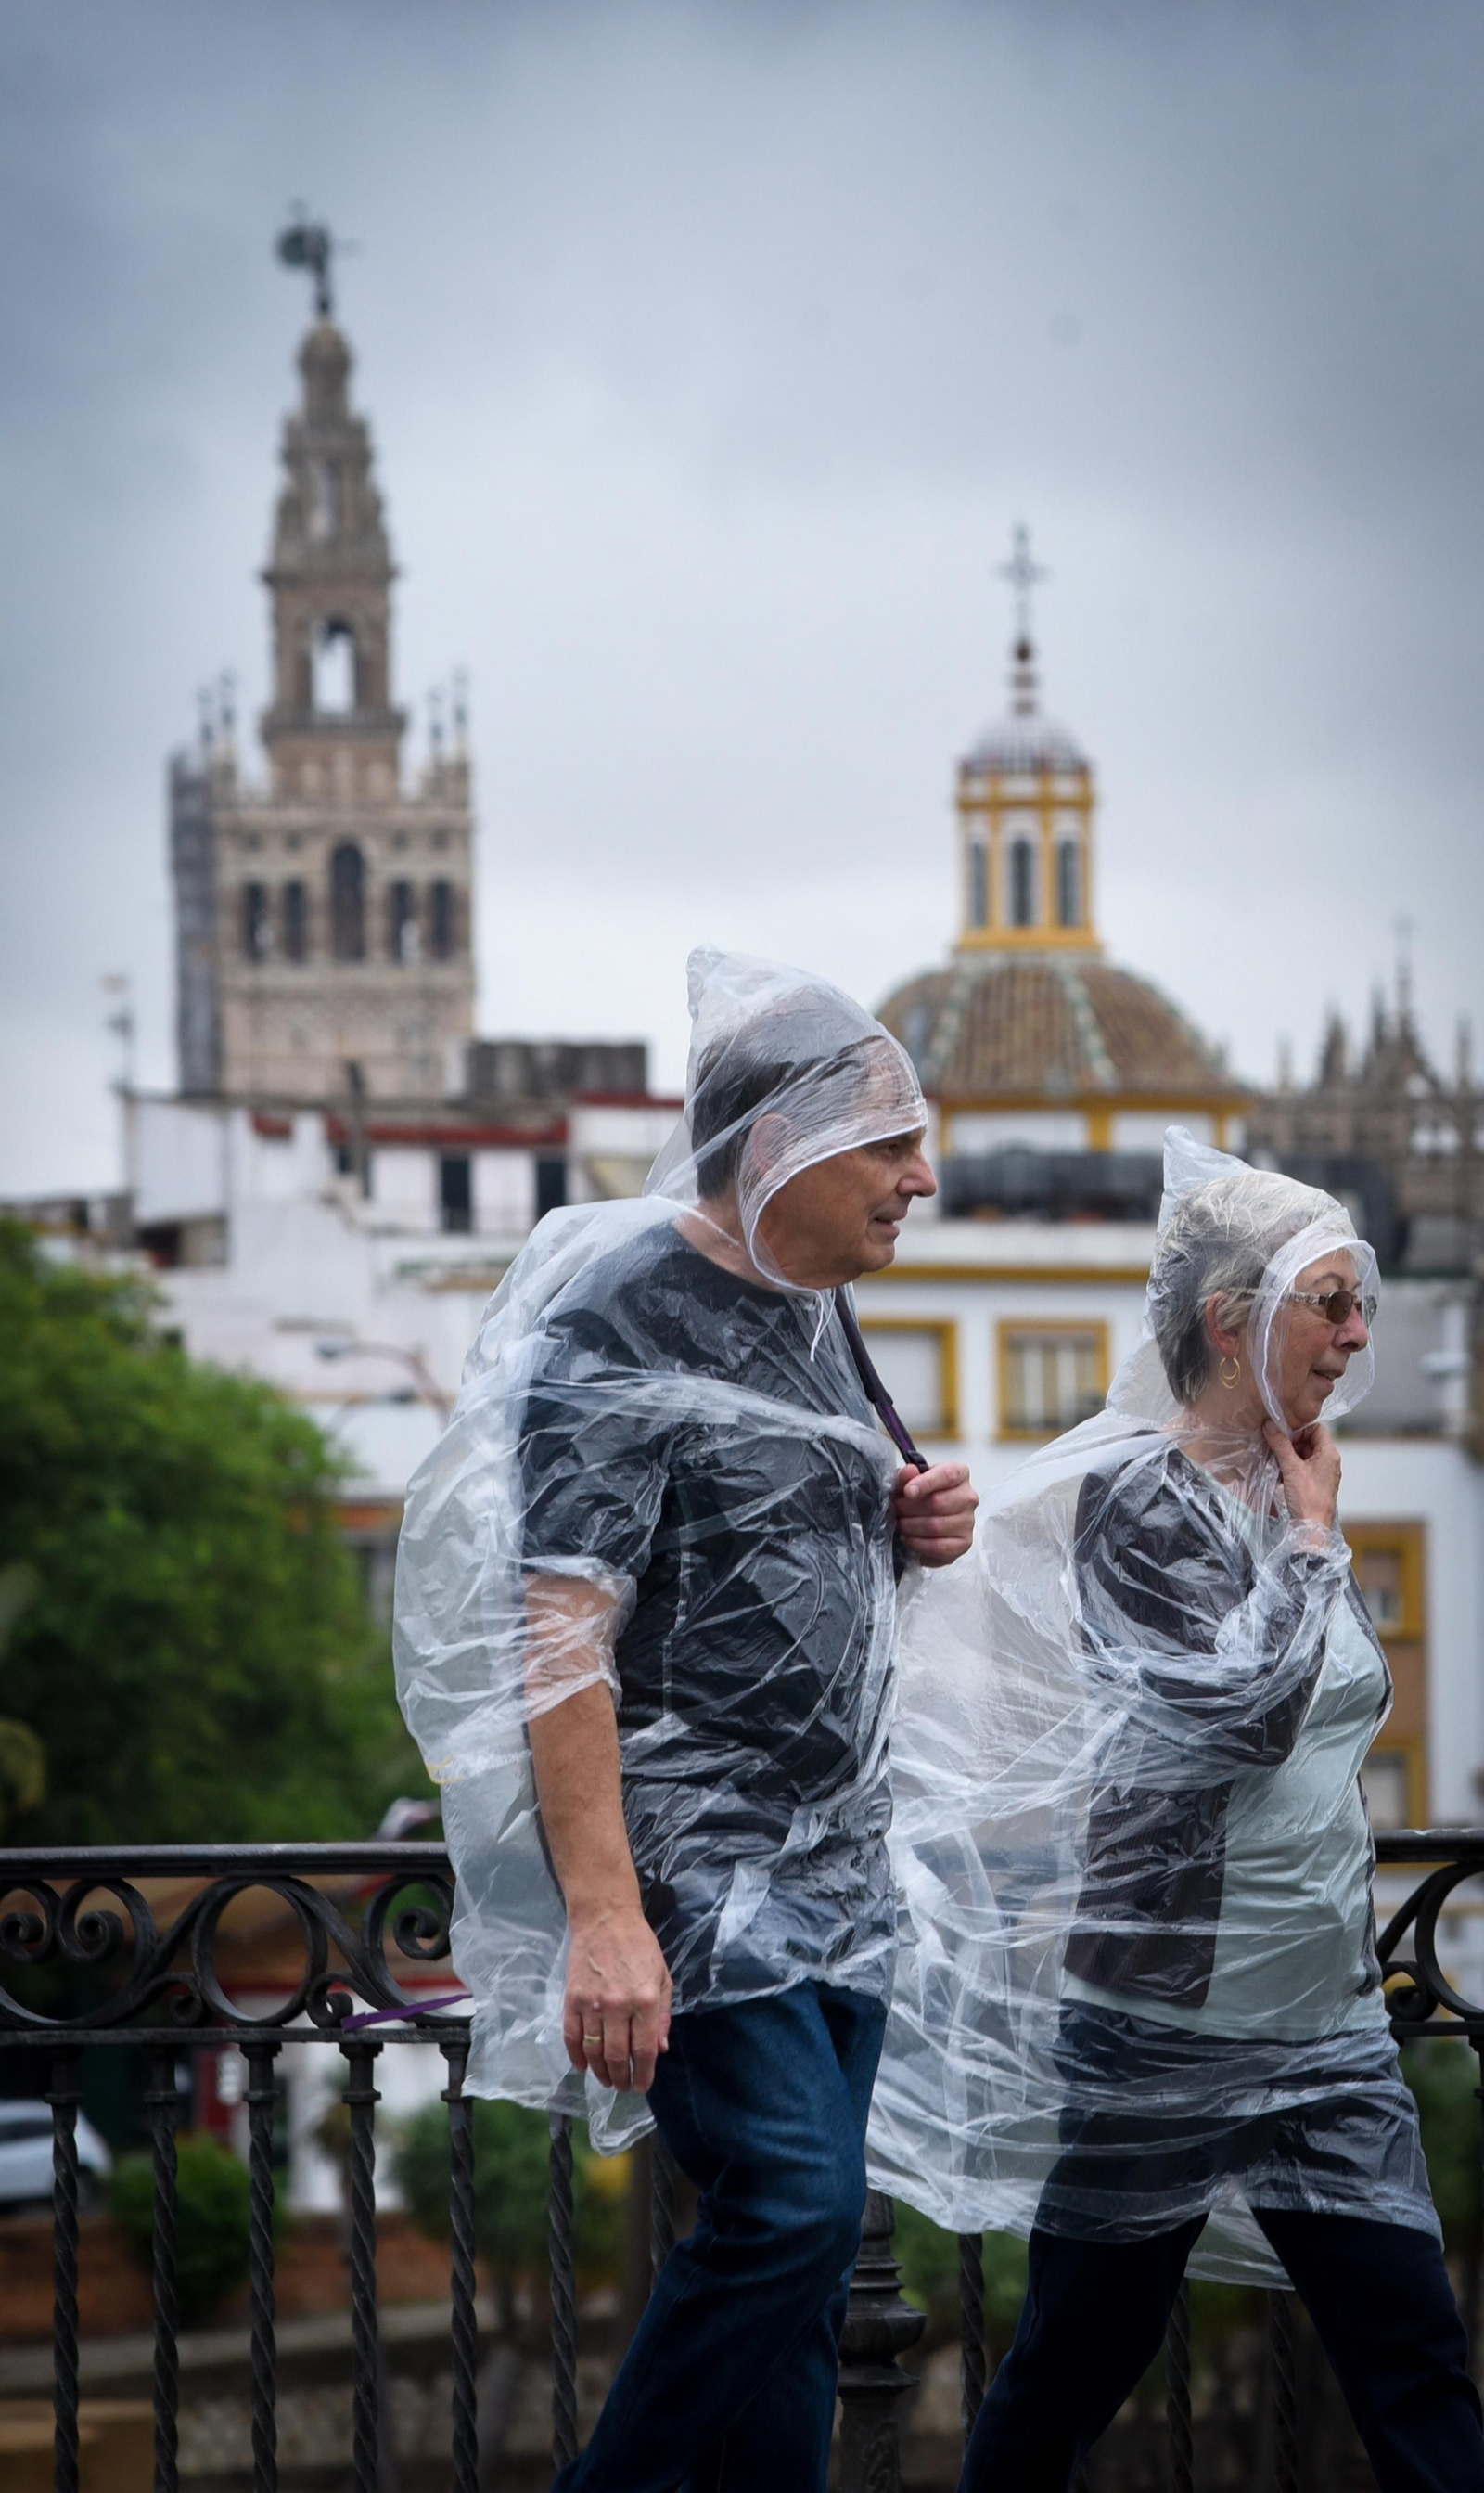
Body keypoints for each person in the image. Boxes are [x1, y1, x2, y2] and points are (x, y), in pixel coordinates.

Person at [394, 948, 978, 2493]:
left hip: (838, 1874)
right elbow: (560, 1635)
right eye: (892, 1143)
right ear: (782, 1144)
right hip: (703, 1876)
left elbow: (763, 1553)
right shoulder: (623, 1318)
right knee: (796, 2212)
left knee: (793, 2283)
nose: (922, 1177)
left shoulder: (819, 1314)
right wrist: (606, 1914)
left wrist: (905, 1523)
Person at [869, 1131, 1484, 2493]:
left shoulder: (1287, 1479)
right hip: (1164, 2023)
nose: (1355, 1335)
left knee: (1414, 2355)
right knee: (1077, 2370)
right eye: (1330, 1303)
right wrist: (1322, 1541)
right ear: (1231, 1320)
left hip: (1323, 2022)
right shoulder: (1140, 1502)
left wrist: (1308, 1523)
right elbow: (1237, 1719)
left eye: (1357, 1303)